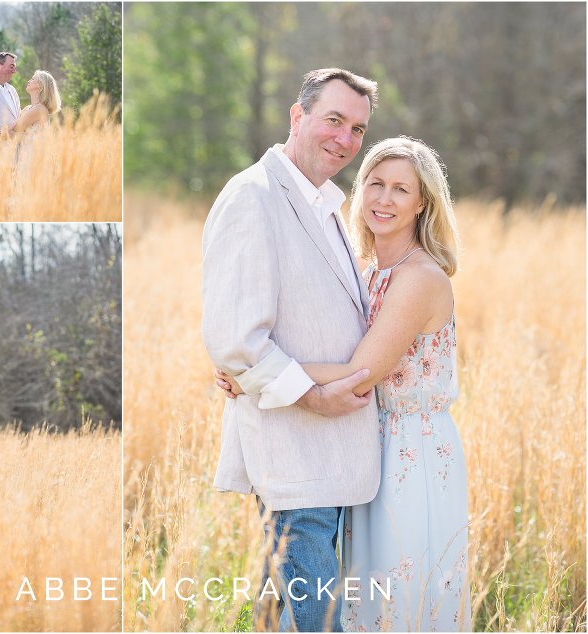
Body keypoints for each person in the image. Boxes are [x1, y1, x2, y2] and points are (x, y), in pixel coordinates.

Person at [219, 137, 470, 631]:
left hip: (411, 454)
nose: (384, 198)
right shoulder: (367, 269)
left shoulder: (420, 278)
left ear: (423, 202)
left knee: (399, 596)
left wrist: (253, 372)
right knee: (359, 600)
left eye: (401, 189)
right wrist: (248, 361)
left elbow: (361, 370)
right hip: (363, 444)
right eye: (374, 183)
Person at [201, 68, 381, 632]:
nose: (345, 139)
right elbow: (237, 340)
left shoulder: (327, 204)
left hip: (327, 456)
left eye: (357, 129)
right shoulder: (253, 197)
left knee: (280, 612)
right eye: (334, 120)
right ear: (297, 116)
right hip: (294, 450)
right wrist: (316, 397)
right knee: (319, 620)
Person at [3, 70, 62, 139]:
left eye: (33, 79)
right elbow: (9, 129)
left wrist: (15, 133)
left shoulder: (39, 109)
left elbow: (12, 130)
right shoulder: (28, 108)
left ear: (40, 85)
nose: (29, 81)